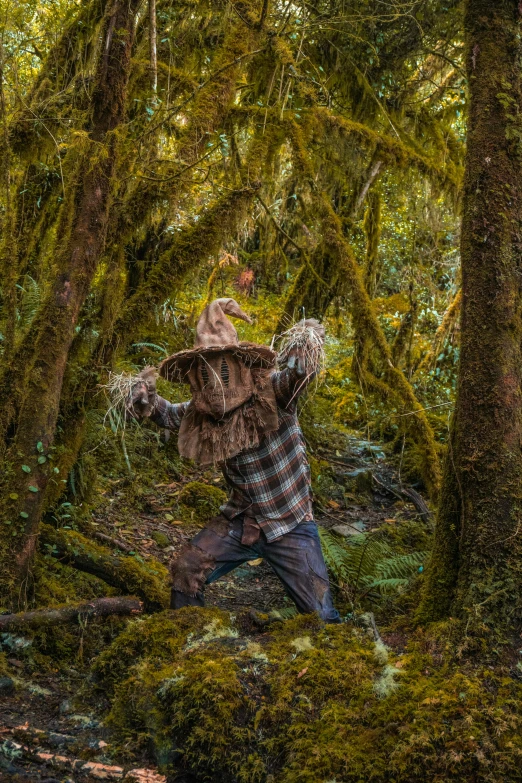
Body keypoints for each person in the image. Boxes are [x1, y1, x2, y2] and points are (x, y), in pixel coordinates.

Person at [128, 298, 340, 623]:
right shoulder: (201, 412)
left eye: (222, 368)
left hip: (291, 522)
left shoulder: (271, 393)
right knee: (187, 568)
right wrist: (145, 398)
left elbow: (296, 379)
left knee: (321, 615)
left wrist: (304, 349)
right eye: (205, 372)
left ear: (240, 364)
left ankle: (338, 657)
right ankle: (190, 639)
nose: (214, 379)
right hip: (241, 522)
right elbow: (171, 415)